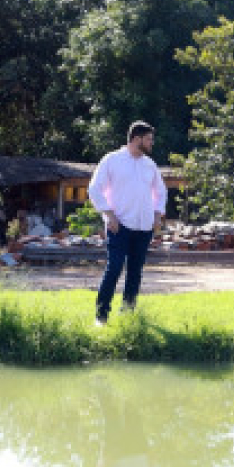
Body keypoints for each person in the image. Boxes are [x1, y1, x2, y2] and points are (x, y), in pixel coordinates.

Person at [88, 121, 167, 325]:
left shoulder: (150, 165)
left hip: (144, 228)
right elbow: (94, 189)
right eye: (149, 139)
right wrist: (109, 214)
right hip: (119, 226)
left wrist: (158, 215)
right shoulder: (112, 160)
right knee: (114, 268)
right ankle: (101, 317)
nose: (152, 143)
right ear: (137, 138)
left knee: (135, 272)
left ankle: (128, 315)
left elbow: (161, 192)